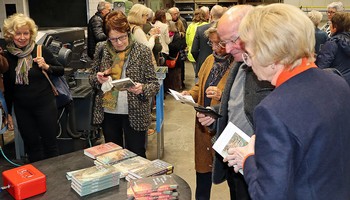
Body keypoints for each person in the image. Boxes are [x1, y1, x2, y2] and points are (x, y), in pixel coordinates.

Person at [226, 4, 350, 199]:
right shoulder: (336, 81)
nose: (248, 63)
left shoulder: (272, 110)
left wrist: (249, 159)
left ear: (271, 55)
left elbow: (268, 195)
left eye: (248, 55)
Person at [197, 5, 274, 200]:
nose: (228, 49)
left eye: (233, 40)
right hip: (235, 160)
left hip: (258, 166)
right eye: (225, 42)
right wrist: (214, 114)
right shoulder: (239, 63)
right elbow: (234, 104)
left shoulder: (272, 69)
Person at [89, 11, 159, 158]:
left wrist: (142, 89)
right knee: (113, 156)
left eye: (122, 37)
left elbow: (154, 84)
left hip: (135, 112)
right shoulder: (101, 49)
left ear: (127, 31)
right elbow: (92, 78)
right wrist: (98, 79)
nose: (119, 42)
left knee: (137, 155)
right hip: (108, 113)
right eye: (113, 39)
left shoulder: (142, 51)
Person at [2, 13, 63, 162]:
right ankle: (37, 180)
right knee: (31, 146)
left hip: (45, 105)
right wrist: (8, 113)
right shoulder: (7, 56)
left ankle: (54, 179)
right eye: (18, 33)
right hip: (22, 109)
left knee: (50, 145)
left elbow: (60, 70)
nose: (22, 37)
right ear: (11, 34)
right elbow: (9, 88)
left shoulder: (40, 50)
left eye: (26, 33)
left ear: (31, 34)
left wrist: (46, 66)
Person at [181, 24, 233, 200]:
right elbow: (198, 85)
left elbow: (240, 98)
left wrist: (221, 95)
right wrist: (191, 94)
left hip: (227, 129)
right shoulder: (210, 59)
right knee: (203, 173)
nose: (216, 48)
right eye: (212, 43)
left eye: (220, 44)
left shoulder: (239, 64)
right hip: (204, 127)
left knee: (234, 179)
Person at [192, 5, 225, 83]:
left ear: (211, 15)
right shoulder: (226, 29)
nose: (214, 48)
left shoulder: (200, 29)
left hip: (202, 64)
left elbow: (194, 50)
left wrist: (199, 59)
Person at [316, 12, 350, 86]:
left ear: (335, 27)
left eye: (330, 24)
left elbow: (321, 67)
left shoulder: (332, 43)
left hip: (336, 84)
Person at [186, 9, 208, 81]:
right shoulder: (206, 26)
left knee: (197, 73)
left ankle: (197, 88)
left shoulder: (190, 26)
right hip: (204, 54)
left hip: (192, 54)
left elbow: (187, 41)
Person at [168, 7, 187, 88]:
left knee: (180, 67)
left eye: (177, 13)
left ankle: (180, 83)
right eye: (174, 14)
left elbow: (184, 32)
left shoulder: (181, 21)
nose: (176, 15)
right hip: (170, 49)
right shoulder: (167, 23)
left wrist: (180, 35)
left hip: (179, 48)